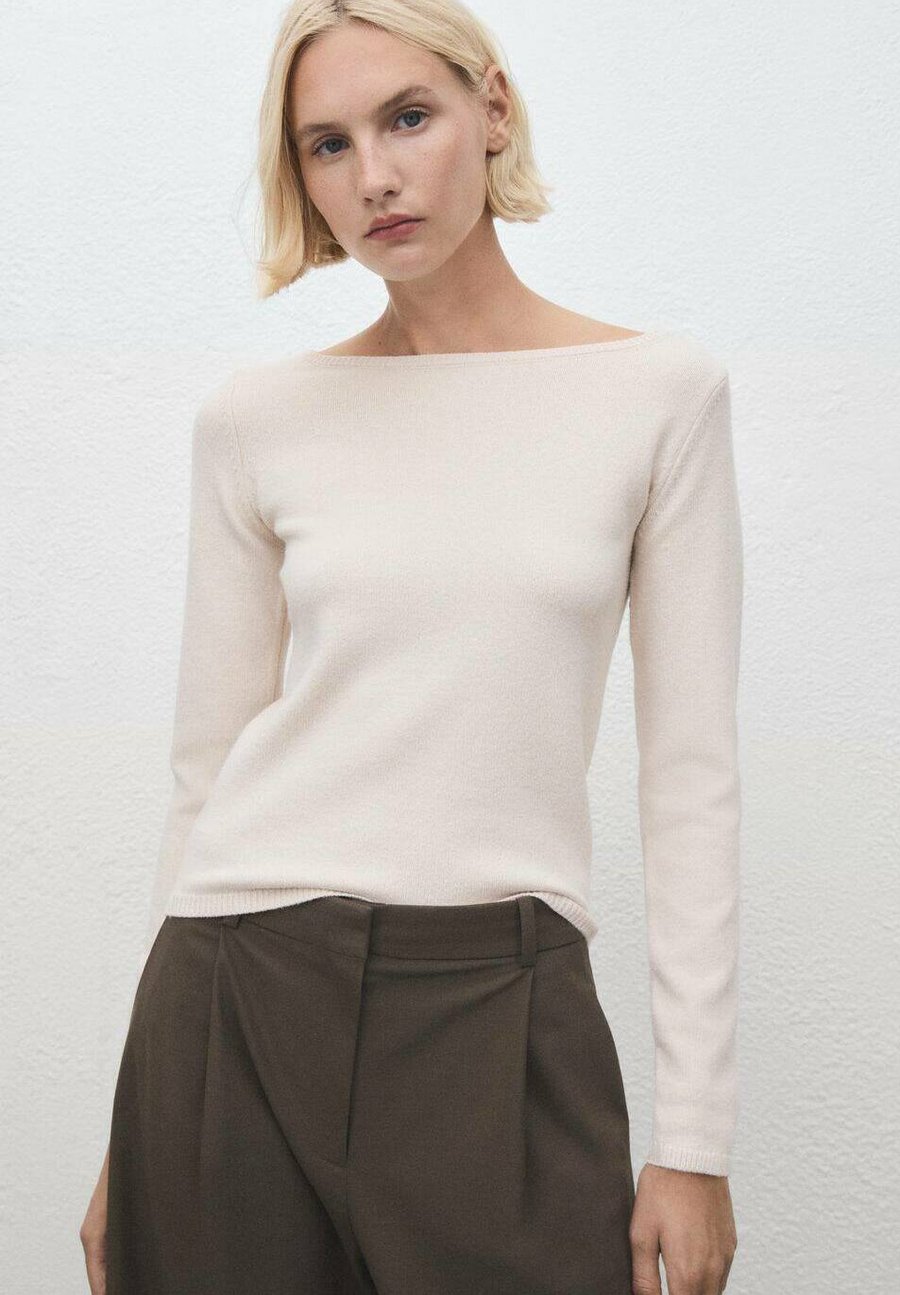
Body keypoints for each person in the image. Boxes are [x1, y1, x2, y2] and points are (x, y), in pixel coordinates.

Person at [80, 2, 742, 1292]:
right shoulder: (257, 419)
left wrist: (696, 1142)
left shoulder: (658, 394)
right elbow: (206, 769)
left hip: (501, 997)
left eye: (408, 118)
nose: (374, 175)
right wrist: (131, 1137)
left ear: (492, 109)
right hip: (234, 991)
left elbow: (693, 779)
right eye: (328, 145)